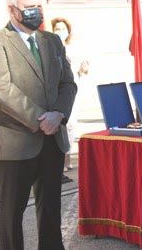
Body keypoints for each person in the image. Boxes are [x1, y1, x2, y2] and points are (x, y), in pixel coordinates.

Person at [0, 0, 77, 250]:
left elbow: (68, 84)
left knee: (51, 212)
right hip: (14, 144)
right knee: (11, 215)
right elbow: (2, 90)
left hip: (52, 140)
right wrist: (41, 119)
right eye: (29, 8)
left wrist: (58, 114)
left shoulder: (52, 41)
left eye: (38, 7)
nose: (36, 12)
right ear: (12, 10)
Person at [51, 17, 89, 183]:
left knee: (72, 124)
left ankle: (67, 155)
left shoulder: (73, 48)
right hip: (56, 93)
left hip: (72, 90)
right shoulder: (49, 47)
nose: (60, 32)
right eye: (57, 29)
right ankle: (62, 158)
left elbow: (83, 70)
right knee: (62, 125)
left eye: (63, 29)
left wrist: (84, 68)